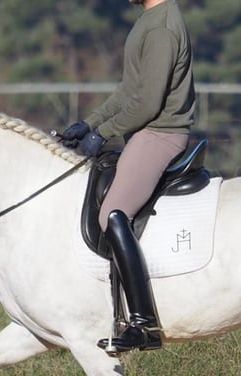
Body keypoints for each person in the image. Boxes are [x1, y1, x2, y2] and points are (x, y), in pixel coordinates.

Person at [60, 0, 195, 354]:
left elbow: (148, 104)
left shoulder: (163, 27)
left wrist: (104, 132)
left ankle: (143, 322)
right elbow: (128, 91)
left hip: (159, 133)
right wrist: (88, 123)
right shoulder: (149, 20)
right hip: (143, 131)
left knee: (112, 213)